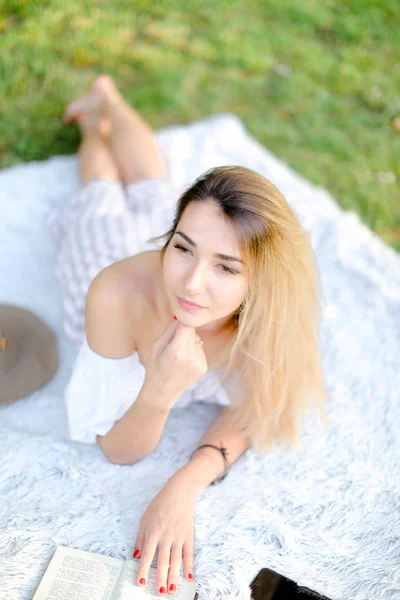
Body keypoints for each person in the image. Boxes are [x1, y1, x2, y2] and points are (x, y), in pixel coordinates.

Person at [48, 75, 329, 597]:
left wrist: (186, 482)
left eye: (226, 267)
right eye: (182, 247)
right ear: (170, 238)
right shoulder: (114, 294)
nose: (192, 284)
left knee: (153, 186)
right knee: (102, 196)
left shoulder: (266, 308)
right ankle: (92, 122)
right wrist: (159, 391)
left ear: (258, 279)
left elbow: (259, 405)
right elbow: (115, 448)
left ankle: (109, 95)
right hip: (106, 261)